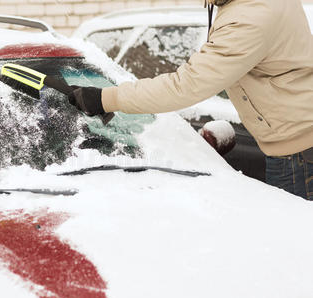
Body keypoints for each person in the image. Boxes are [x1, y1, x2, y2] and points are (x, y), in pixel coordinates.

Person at [68, 0, 313, 200]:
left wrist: (107, 97)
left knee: (298, 248)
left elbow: (187, 85)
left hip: (297, 154)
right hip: (298, 142)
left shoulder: (250, 16)